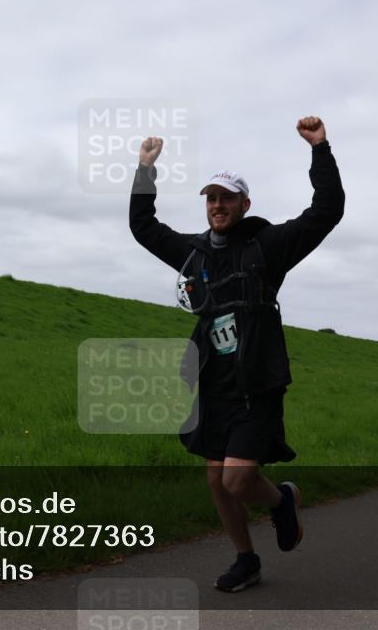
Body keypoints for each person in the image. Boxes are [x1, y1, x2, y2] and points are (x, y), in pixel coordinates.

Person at [129, 116, 344, 592]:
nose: (217, 205)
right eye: (211, 198)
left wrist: (320, 149)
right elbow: (143, 227)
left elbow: (327, 210)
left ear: (245, 205)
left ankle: (281, 502)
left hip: (258, 382)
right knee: (216, 480)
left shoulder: (268, 246)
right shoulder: (194, 253)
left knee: (236, 480)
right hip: (215, 384)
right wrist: (145, 170)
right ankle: (246, 559)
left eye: (227, 198)